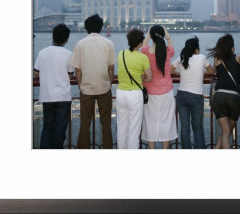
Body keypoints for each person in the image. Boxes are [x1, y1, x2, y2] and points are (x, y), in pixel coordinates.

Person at [71, 14, 115, 149]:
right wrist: (109, 83)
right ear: (101, 27)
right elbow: (111, 68)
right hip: (104, 88)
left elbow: (77, 70)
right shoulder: (108, 43)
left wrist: (80, 85)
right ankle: (107, 148)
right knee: (106, 124)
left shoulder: (80, 44)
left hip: (86, 89)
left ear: (86, 28)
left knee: (85, 123)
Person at [34, 23, 74, 149]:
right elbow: (70, 75)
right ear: (66, 39)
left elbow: (36, 72)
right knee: (60, 130)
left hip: (47, 96)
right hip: (63, 96)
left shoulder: (42, 53)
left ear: (53, 36)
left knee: (47, 127)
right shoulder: (68, 54)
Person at [171, 36, 214, 149]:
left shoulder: (182, 58)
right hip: (196, 97)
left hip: (181, 95)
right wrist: (201, 71)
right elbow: (211, 71)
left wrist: (180, 72)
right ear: (196, 49)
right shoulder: (201, 58)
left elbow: (170, 70)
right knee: (197, 127)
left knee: (185, 127)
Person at [140, 25, 178, 149]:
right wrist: (168, 36)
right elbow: (171, 46)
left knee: (150, 122)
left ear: (151, 36)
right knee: (166, 122)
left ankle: (151, 149)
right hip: (166, 92)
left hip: (150, 93)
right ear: (163, 35)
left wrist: (148, 34)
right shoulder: (168, 52)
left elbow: (144, 46)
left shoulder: (146, 52)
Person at [116, 29, 152, 149]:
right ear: (140, 43)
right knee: (134, 129)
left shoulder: (121, 54)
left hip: (120, 93)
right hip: (135, 94)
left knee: (121, 128)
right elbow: (149, 77)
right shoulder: (143, 58)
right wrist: (141, 77)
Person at [208, 33, 240, 149]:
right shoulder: (238, 58)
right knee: (227, 131)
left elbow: (218, 73)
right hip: (233, 97)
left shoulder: (217, 59)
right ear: (232, 47)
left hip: (219, 97)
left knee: (225, 131)